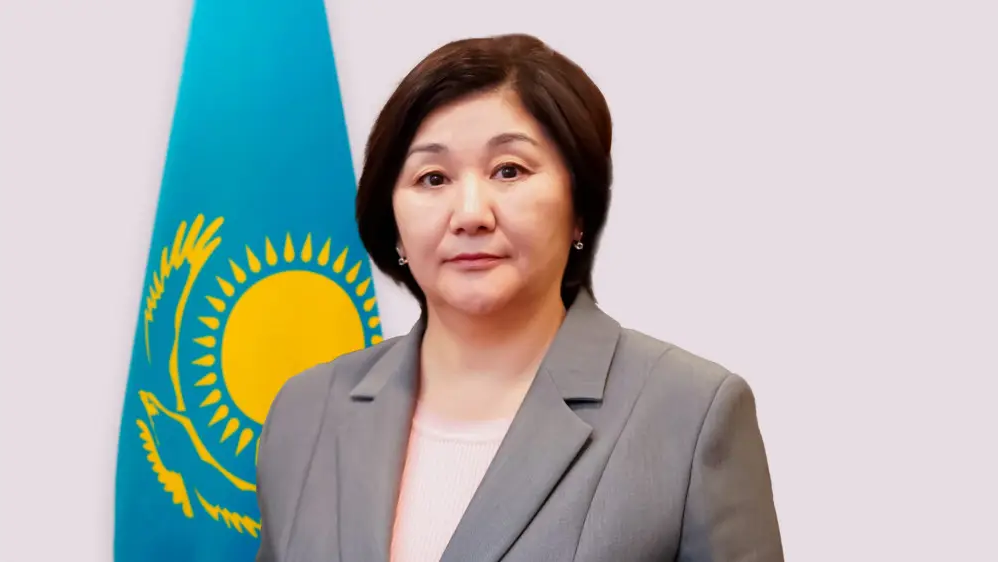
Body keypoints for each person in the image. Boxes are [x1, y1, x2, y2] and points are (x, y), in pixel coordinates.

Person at [254, 33, 783, 562]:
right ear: (391, 222)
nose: (470, 214)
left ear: (579, 207)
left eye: (509, 170)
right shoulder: (306, 413)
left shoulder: (690, 414)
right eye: (432, 178)